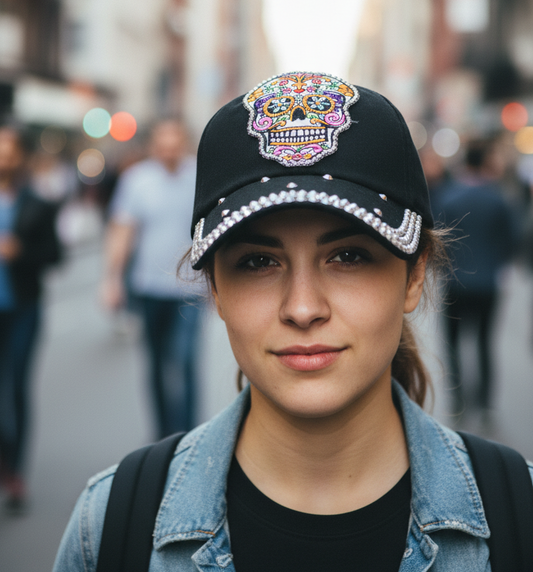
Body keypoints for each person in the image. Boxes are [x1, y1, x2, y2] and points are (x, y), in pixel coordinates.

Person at [54, 72, 533, 572]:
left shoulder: (518, 516)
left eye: (348, 255)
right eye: (258, 262)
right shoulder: (110, 527)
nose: (303, 308)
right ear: (215, 288)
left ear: (414, 276)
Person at [101, 119, 205, 438]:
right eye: (163, 144)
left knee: (184, 361)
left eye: (175, 143)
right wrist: (112, 279)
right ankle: (163, 437)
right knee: (157, 365)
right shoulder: (137, 180)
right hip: (148, 287)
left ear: (184, 143)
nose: (169, 150)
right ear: (153, 146)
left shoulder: (200, 176)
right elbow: (123, 231)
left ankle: (190, 436)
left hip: (190, 288)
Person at [0, 127, 62, 513]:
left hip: (22, 309)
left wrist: (20, 251)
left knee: (17, 388)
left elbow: (54, 255)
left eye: (9, 150)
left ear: (20, 156)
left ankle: (16, 471)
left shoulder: (38, 203)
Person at [439, 138, 517, 415]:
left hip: (454, 283)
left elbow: (440, 240)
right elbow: (511, 239)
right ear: (484, 162)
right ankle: (483, 403)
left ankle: (458, 398)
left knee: (454, 343)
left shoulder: (449, 197)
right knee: (485, 343)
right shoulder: (498, 199)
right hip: (487, 283)